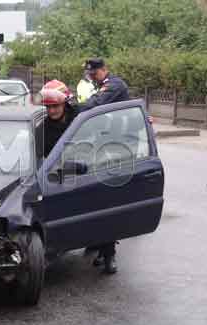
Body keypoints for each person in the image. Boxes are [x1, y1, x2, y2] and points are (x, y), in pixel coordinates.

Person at [80, 58, 131, 274]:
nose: (91, 76)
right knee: (93, 201)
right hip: (100, 148)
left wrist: (71, 105)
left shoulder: (114, 85)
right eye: (89, 74)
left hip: (115, 150)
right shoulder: (100, 86)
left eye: (94, 73)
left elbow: (95, 105)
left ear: (103, 70)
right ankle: (98, 244)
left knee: (107, 202)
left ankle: (109, 255)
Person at [37, 80, 79, 157]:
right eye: (48, 106)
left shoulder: (79, 117)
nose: (51, 111)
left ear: (65, 104)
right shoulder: (43, 130)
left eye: (55, 106)